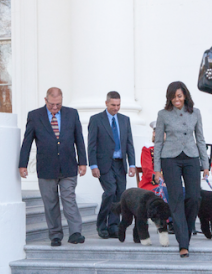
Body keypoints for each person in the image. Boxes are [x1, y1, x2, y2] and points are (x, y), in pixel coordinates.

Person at [19, 87, 87, 246]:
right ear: (45, 100)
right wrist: (23, 164)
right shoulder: (35, 116)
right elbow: (27, 142)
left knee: (69, 198)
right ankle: (55, 235)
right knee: (50, 203)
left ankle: (75, 232)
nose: (55, 108)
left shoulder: (72, 113)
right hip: (46, 167)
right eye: (52, 105)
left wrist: (82, 162)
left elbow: (79, 139)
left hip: (68, 165)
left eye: (58, 104)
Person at [153, 81, 209, 258]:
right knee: (176, 199)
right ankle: (183, 243)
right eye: (173, 96)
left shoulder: (196, 113)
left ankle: (186, 228)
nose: (176, 99)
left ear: (185, 95)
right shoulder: (163, 114)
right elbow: (158, 142)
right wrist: (157, 169)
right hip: (170, 159)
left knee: (194, 196)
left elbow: (200, 139)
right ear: (169, 98)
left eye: (179, 95)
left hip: (191, 157)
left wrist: (205, 165)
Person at [88, 91, 136, 239]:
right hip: (104, 164)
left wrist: (132, 164)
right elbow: (91, 144)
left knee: (120, 195)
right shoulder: (96, 119)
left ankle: (113, 226)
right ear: (106, 103)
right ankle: (101, 224)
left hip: (120, 164)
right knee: (110, 191)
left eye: (118, 105)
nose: (116, 108)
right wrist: (93, 165)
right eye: (113, 105)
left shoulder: (125, 120)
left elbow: (129, 143)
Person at [139, 121, 158, 192]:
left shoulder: (171, 150)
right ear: (154, 133)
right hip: (151, 184)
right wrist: (161, 182)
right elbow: (147, 170)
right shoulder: (148, 149)